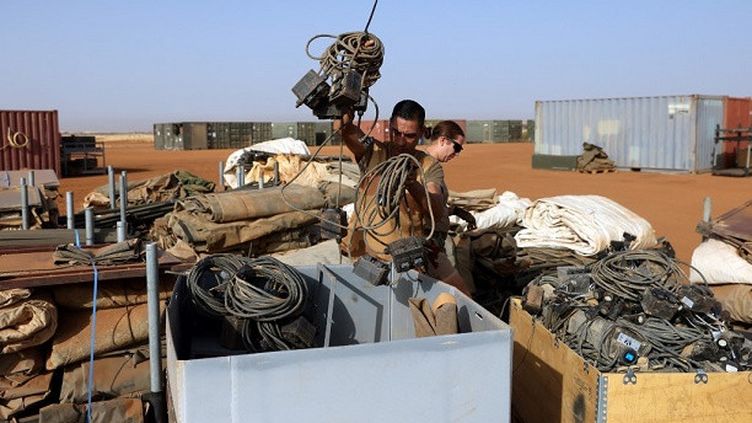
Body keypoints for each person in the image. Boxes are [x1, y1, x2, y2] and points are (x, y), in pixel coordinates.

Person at [336, 100, 471, 295]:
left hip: (407, 255)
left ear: (421, 132)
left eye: (409, 136)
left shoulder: (427, 165)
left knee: (460, 295)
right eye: (396, 132)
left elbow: (436, 208)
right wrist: (344, 110)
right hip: (367, 252)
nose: (400, 141)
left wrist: (412, 184)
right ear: (390, 125)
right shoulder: (373, 152)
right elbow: (348, 133)